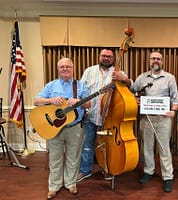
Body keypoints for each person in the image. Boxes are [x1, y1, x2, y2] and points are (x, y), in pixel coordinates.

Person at [33, 58, 90, 199]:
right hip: (54, 128)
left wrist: (79, 102)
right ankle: (54, 186)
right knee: (55, 158)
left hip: (75, 127)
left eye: (68, 66)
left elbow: (89, 104)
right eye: (62, 66)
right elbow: (36, 100)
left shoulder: (80, 86)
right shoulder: (51, 85)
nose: (65, 69)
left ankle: (70, 183)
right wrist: (50, 100)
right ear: (58, 69)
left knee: (73, 157)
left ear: (72, 69)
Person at [77, 48, 132, 182]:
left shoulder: (119, 73)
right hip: (91, 116)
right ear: (99, 56)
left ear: (113, 59)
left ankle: (107, 169)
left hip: (109, 119)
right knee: (87, 145)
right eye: (104, 56)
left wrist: (124, 79)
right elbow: (81, 90)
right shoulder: (89, 71)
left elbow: (132, 87)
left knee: (108, 146)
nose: (106, 58)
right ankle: (85, 171)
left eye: (109, 56)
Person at [133, 51, 178, 193]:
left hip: (163, 119)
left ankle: (167, 176)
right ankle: (149, 171)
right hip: (146, 119)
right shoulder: (141, 78)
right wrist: (137, 101)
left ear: (162, 61)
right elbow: (133, 94)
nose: (155, 61)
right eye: (153, 58)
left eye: (158, 59)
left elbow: (175, 99)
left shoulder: (169, 78)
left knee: (164, 148)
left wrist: (174, 111)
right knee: (147, 146)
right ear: (149, 61)